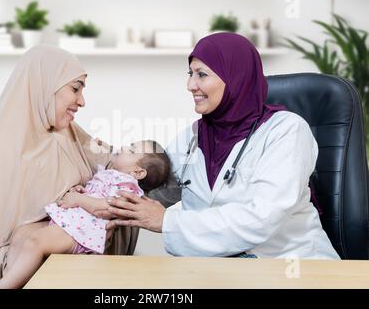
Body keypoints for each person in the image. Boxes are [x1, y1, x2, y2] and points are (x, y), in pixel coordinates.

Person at [106, 33, 340, 259]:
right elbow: (152, 182)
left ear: (234, 77)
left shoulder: (286, 131)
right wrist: (96, 186)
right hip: (219, 267)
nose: (190, 85)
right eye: (190, 74)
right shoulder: (192, 137)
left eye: (201, 75)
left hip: (286, 262)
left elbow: (262, 217)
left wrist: (167, 221)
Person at [0, 45, 139, 289]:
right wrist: (48, 239)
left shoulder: (68, 135)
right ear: (44, 85)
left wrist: (99, 214)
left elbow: (124, 168)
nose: (82, 101)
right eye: (75, 89)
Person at [0, 140, 171, 289]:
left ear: (138, 172)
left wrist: (78, 200)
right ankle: (13, 278)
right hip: (72, 224)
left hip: (81, 235)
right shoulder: (112, 175)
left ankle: (5, 286)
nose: (123, 147)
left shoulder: (128, 187)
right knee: (23, 232)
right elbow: (97, 194)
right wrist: (82, 191)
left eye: (131, 150)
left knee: (34, 242)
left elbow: (108, 208)